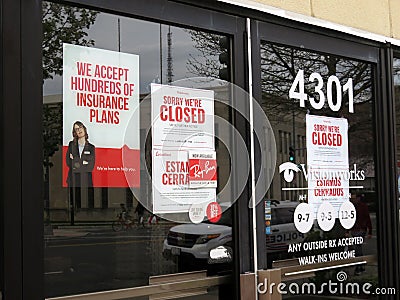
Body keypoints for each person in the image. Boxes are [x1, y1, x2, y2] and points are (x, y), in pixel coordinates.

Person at [66, 121, 95, 208]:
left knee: (89, 197)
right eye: (76, 129)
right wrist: (83, 162)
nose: (79, 130)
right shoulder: (71, 145)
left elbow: (91, 165)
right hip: (74, 176)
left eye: (80, 127)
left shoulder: (91, 147)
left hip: (86, 177)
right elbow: (68, 161)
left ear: (84, 129)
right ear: (74, 132)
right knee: (75, 198)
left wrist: (75, 161)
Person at [350, 193, 372, 275]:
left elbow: (367, 218)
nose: (353, 199)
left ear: (358, 198)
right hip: (355, 229)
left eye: (355, 198)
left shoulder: (362, 207)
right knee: (358, 247)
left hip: (360, 229)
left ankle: (358, 267)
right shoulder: (352, 206)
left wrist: (370, 231)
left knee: (357, 247)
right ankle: (361, 266)